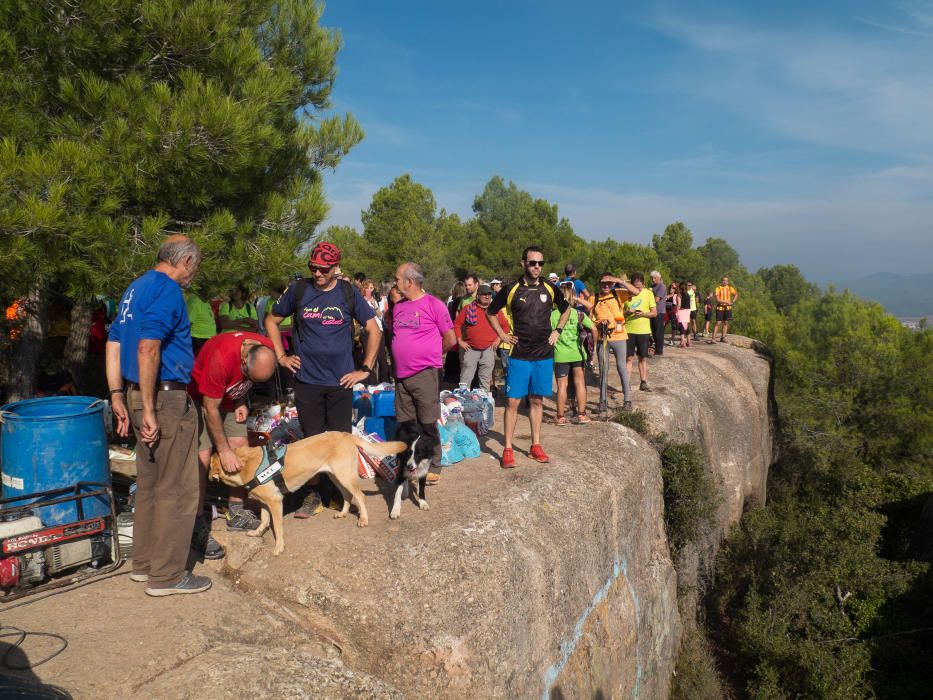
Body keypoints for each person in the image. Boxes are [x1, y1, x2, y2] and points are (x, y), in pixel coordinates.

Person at [106, 234, 211, 596]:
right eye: (194, 267)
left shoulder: (135, 288)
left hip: (136, 394)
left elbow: (114, 342)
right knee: (177, 487)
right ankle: (166, 576)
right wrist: (150, 409)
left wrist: (118, 394)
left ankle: (144, 563)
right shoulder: (168, 290)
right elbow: (148, 347)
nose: (193, 275)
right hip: (163, 399)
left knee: (149, 483)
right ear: (185, 261)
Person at [265, 242, 379, 515]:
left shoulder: (348, 293)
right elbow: (271, 321)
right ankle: (314, 494)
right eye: (313, 268)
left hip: (340, 382)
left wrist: (365, 368)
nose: (317, 274)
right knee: (312, 441)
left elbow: (374, 329)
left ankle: (341, 493)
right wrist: (281, 356)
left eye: (323, 270)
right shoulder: (299, 290)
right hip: (307, 381)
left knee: (341, 441)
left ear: (335, 268)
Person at [188, 331, 277, 543]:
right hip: (202, 398)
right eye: (249, 376)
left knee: (241, 448)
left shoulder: (265, 348)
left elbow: (243, 380)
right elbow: (210, 409)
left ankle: (236, 511)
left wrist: (239, 401)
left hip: (228, 397)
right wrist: (224, 450)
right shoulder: (221, 358)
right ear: (244, 359)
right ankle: (197, 521)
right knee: (203, 455)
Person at [487, 246, 571, 468]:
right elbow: (490, 312)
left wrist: (558, 331)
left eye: (540, 263)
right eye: (532, 262)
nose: (536, 267)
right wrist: (502, 334)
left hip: (543, 354)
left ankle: (535, 445)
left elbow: (566, 309)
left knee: (536, 400)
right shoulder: (511, 289)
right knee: (513, 401)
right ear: (523, 263)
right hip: (519, 354)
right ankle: (507, 448)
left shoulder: (550, 288)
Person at [391, 262, 456, 483]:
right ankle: (413, 463)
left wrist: (432, 356)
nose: (395, 282)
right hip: (401, 377)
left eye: (397, 278)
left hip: (425, 374)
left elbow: (450, 339)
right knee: (408, 424)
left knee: (428, 422)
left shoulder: (434, 305)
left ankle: (434, 462)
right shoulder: (398, 307)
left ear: (409, 281)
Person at [591, 273, 640, 415]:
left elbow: (636, 292)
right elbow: (589, 319)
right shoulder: (593, 298)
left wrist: (619, 281)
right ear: (598, 283)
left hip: (619, 337)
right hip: (602, 338)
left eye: (609, 283)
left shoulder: (618, 294)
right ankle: (603, 402)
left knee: (621, 367)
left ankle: (627, 401)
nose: (606, 285)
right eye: (603, 283)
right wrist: (597, 323)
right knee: (603, 369)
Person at [551, 282, 596, 425]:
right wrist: (592, 348)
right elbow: (594, 329)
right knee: (580, 383)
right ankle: (582, 415)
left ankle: (560, 417)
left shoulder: (551, 315)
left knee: (562, 385)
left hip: (560, 355)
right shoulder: (578, 314)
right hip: (578, 353)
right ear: (573, 297)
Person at [454, 284, 507, 392]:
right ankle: (463, 401)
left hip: (488, 349)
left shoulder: (495, 310)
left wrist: (498, 339)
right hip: (470, 348)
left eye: (489, 294)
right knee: (465, 379)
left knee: (485, 380)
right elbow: (457, 324)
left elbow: (505, 327)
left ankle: (484, 403)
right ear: (478, 296)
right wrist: (460, 340)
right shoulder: (468, 308)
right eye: (484, 294)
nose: (487, 297)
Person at [624, 273, 657, 393]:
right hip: (628, 330)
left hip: (643, 330)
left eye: (639, 281)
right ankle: (626, 383)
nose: (637, 284)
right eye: (635, 282)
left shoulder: (649, 294)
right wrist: (628, 312)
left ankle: (643, 382)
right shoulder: (627, 294)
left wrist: (643, 313)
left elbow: (654, 313)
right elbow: (620, 314)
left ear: (643, 282)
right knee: (628, 358)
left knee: (642, 357)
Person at [360, 279, 390, 383]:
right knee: (369, 357)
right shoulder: (360, 300)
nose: (369, 290)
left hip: (379, 330)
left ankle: (384, 381)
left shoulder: (378, 299)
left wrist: (375, 305)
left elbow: (380, 316)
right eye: (367, 287)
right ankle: (371, 382)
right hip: (366, 331)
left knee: (382, 358)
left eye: (371, 287)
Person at [185, 287, 216, 355]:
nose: (215, 292)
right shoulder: (194, 301)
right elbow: (187, 323)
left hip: (208, 339)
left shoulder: (206, 302)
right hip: (197, 339)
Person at [710, 276, 739, 344]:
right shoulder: (718, 288)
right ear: (721, 281)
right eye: (723, 280)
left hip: (728, 308)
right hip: (720, 307)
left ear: (728, 282)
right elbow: (717, 300)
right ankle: (713, 339)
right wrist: (726, 302)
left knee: (726, 322)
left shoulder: (729, 288)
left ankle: (723, 337)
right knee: (718, 323)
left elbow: (736, 294)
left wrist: (733, 301)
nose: (725, 282)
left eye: (726, 280)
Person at [650, 271, 667, 356]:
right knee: (653, 330)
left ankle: (659, 350)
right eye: (652, 278)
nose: (653, 279)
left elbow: (656, 299)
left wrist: (648, 297)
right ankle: (656, 348)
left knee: (658, 332)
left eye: (654, 278)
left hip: (659, 312)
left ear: (659, 278)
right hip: (652, 311)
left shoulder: (662, 287)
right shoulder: (652, 287)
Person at [676, 283, 693, 348]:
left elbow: (679, 305)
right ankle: (689, 342)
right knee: (686, 326)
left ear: (680, 288)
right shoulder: (688, 295)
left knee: (681, 326)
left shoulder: (679, 295)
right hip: (687, 311)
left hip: (681, 311)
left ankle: (682, 342)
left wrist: (676, 311)